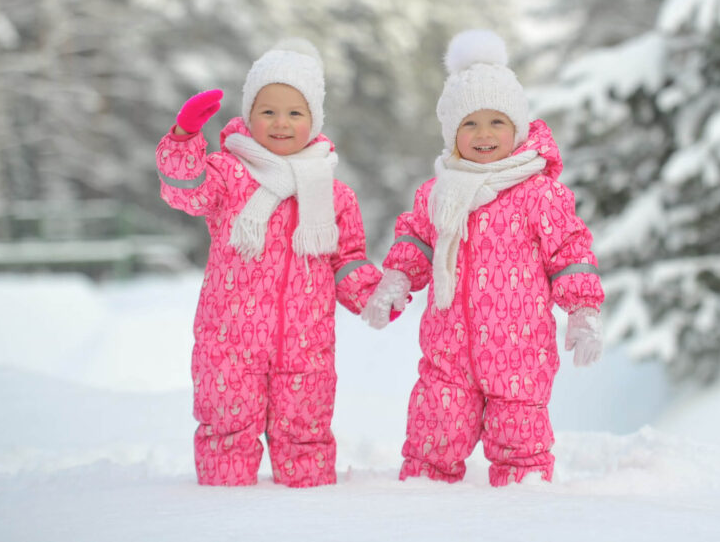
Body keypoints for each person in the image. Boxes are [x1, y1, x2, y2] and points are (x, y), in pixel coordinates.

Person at [361, 29, 605, 486]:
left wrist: (583, 309)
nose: (483, 134)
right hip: (448, 352)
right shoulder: (438, 192)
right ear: (453, 134)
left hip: (520, 355)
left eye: (497, 122)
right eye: (469, 124)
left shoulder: (539, 194)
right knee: (433, 438)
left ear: (517, 127)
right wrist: (396, 279)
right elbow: (415, 240)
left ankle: (521, 514)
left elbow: (570, 251)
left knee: (521, 450)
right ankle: (421, 510)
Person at [156, 38, 382, 487]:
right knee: (226, 428)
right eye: (268, 111)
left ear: (313, 120)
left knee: (305, 434)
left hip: (306, 344)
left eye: (295, 113)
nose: (281, 123)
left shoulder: (333, 194)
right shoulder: (227, 174)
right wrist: (183, 139)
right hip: (229, 340)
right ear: (249, 115)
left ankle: (307, 516)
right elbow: (185, 188)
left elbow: (347, 260)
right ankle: (224, 512)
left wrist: (377, 294)